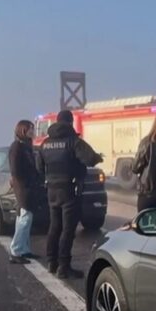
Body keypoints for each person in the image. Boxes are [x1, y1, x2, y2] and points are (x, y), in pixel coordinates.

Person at [36, 110, 102, 279]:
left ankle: (52, 262)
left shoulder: (45, 143)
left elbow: (39, 168)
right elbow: (90, 159)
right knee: (68, 229)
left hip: (52, 191)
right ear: (70, 122)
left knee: (54, 226)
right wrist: (98, 158)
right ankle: (64, 267)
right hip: (69, 190)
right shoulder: (73, 141)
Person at [7, 120, 40, 264]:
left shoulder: (27, 146)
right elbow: (15, 170)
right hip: (23, 188)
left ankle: (24, 249)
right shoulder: (17, 147)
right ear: (23, 130)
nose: (33, 131)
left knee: (25, 218)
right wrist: (26, 181)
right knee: (25, 219)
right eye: (30, 129)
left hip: (29, 187)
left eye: (33, 128)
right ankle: (15, 251)